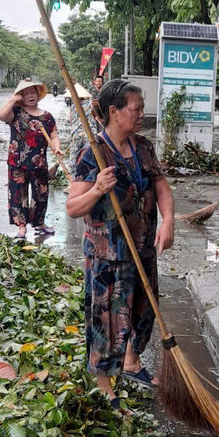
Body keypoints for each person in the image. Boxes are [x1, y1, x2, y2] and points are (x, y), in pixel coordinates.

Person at [66, 80, 175, 408]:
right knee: (108, 321)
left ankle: (130, 362)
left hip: (143, 248)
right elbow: (73, 207)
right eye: (136, 109)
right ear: (113, 112)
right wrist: (98, 189)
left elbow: (161, 187)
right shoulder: (92, 154)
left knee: (143, 312)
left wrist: (168, 221)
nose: (142, 114)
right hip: (108, 255)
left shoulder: (143, 146)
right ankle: (104, 386)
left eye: (142, 108)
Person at [0, 80, 63, 240]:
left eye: (32, 92)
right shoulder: (15, 112)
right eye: (25, 94)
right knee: (18, 194)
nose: (30, 96)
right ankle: (21, 228)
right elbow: (0, 116)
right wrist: (14, 99)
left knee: (41, 194)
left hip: (39, 163)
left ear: (38, 95)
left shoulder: (47, 117)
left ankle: (39, 223)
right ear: (20, 96)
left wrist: (57, 147)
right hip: (17, 162)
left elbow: (53, 134)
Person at [68, 81, 101, 167]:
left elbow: (71, 122)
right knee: (91, 156)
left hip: (76, 134)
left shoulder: (72, 107)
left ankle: (74, 175)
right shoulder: (90, 104)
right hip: (89, 134)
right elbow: (96, 117)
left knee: (74, 158)